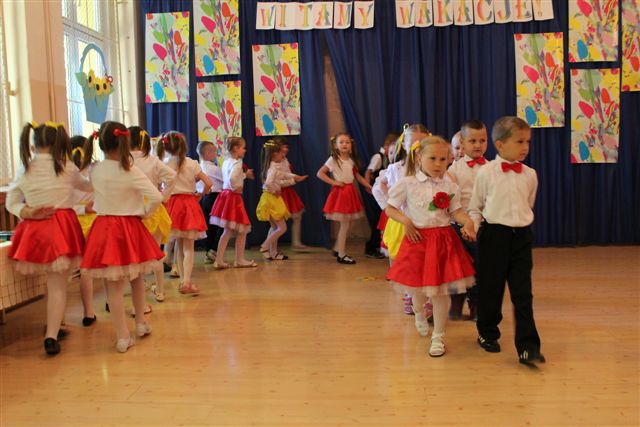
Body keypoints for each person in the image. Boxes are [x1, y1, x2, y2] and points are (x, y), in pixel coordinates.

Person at [464, 116, 545, 366]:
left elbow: (527, 204)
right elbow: (476, 206)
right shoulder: (486, 173)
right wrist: (474, 227)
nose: (525, 147)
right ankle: (487, 332)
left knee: (523, 293)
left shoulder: (530, 174)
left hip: (521, 237)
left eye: (527, 142)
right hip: (493, 236)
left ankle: (528, 347)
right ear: (500, 144)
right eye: (519, 141)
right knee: (491, 289)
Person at [386, 136, 476, 357]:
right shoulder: (407, 183)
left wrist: (468, 222)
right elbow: (390, 208)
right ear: (419, 158)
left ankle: (438, 337)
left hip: (444, 242)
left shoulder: (449, 186)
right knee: (418, 290)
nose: (438, 164)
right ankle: (418, 312)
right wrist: (406, 221)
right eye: (432, 158)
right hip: (418, 241)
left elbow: (456, 211)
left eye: (443, 159)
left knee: (440, 292)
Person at [80, 121, 165, 353]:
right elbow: (157, 197)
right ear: (124, 142)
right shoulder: (130, 169)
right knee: (137, 277)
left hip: (105, 228)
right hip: (130, 226)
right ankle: (140, 323)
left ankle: (122, 336)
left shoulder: (96, 170)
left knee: (114, 287)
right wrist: (146, 213)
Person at [7, 121, 91, 355]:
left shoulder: (24, 168)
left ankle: (55, 326)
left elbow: (11, 202)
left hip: (33, 231)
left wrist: (28, 212)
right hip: (60, 229)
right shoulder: (67, 167)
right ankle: (51, 335)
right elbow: (87, 187)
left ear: (33, 145)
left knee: (50, 285)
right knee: (57, 286)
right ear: (58, 144)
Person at [372, 124, 430, 316]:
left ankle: (426, 298)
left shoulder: (432, 167)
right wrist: (390, 207)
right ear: (404, 145)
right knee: (406, 260)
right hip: (402, 221)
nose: (417, 146)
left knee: (425, 260)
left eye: (422, 143)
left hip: (425, 222)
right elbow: (378, 188)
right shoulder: (395, 169)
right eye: (413, 143)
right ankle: (410, 295)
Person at [157, 131, 211, 295]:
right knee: (188, 247)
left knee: (179, 246)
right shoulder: (192, 163)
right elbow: (208, 183)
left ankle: (183, 281)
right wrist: (200, 195)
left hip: (172, 205)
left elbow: (159, 185)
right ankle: (186, 281)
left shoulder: (163, 164)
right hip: (188, 204)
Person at [446, 119, 488, 321]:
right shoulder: (452, 170)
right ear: (462, 143)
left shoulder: (492, 168)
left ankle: (476, 306)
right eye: (473, 141)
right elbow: (451, 202)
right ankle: (456, 305)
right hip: (459, 226)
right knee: (458, 268)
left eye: (482, 140)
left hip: (484, 226)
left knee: (481, 268)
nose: (478, 145)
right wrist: (464, 223)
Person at [129, 126, 176, 302]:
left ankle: (138, 294)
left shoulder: (124, 160)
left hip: (132, 209)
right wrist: (164, 196)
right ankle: (161, 291)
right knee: (156, 252)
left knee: (135, 255)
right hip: (154, 207)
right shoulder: (153, 160)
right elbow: (172, 177)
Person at [317, 132, 372, 264]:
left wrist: (370, 186)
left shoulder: (351, 160)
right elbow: (320, 173)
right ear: (335, 145)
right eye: (341, 142)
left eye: (347, 142)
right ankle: (341, 255)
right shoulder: (333, 159)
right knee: (345, 225)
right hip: (341, 193)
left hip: (350, 192)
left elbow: (357, 176)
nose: (344, 144)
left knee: (349, 223)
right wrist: (334, 182)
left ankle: (337, 248)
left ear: (351, 145)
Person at [210, 136, 257, 268]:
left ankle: (219, 260)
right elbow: (232, 178)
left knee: (227, 231)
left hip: (225, 195)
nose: (245, 150)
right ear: (236, 148)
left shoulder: (226, 161)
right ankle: (239, 259)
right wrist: (235, 187)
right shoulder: (237, 163)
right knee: (242, 230)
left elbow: (229, 177)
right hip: (233, 197)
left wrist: (243, 176)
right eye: (243, 148)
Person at [257, 140, 307, 260]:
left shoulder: (274, 166)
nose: (283, 155)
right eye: (281, 153)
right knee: (281, 228)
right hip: (272, 199)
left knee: (275, 227)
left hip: (270, 198)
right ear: (275, 154)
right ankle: (265, 246)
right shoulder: (273, 168)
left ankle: (273, 252)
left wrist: (295, 176)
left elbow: (284, 174)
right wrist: (274, 190)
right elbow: (268, 183)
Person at [70, 135, 98, 326]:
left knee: (83, 269)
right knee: (103, 266)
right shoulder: (95, 169)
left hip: (72, 223)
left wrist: (80, 209)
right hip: (95, 222)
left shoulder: (65, 172)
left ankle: (88, 312)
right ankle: (108, 304)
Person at [363, 132, 399, 259]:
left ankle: (380, 246)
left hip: (386, 196)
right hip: (379, 195)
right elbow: (369, 171)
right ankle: (371, 248)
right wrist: (368, 186)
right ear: (387, 145)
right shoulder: (378, 157)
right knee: (377, 221)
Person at [272, 137, 308, 250]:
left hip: (288, 193)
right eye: (282, 147)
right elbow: (277, 182)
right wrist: (293, 181)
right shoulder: (273, 164)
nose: (285, 149)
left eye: (286, 147)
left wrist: (294, 178)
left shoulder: (285, 160)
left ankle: (296, 242)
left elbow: (287, 175)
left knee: (297, 216)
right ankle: (271, 246)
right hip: (278, 193)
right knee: (277, 223)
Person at [196, 141, 223, 264]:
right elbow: (226, 179)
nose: (216, 153)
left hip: (204, 199)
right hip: (214, 198)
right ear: (207, 153)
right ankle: (213, 250)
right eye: (214, 151)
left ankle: (209, 251)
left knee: (210, 226)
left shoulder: (199, 167)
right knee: (218, 225)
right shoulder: (213, 168)